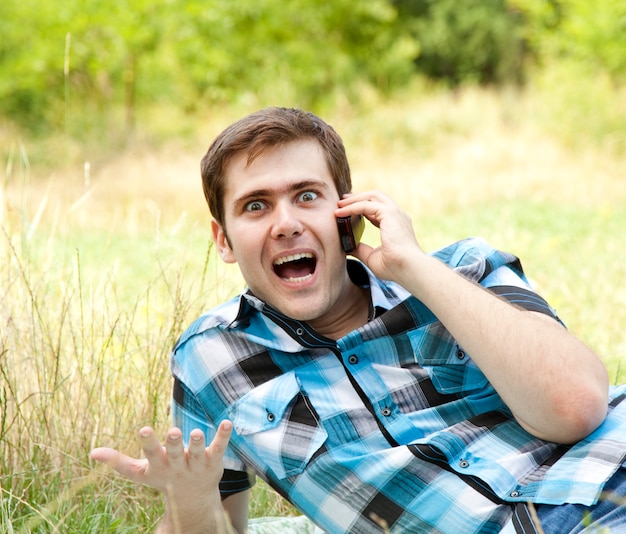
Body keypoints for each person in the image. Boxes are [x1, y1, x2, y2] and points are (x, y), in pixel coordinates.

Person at [91, 107, 626, 534]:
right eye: (256, 206)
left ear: (346, 214)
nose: (286, 224)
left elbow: (574, 407)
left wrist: (414, 268)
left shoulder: (465, 269)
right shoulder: (214, 358)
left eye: (307, 196)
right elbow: (217, 529)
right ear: (224, 241)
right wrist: (189, 501)